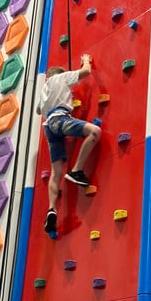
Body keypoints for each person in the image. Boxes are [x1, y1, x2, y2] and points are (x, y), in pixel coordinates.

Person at [36, 53, 101, 234]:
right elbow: (85, 72)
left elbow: (38, 110)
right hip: (60, 118)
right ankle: (76, 170)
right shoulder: (61, 77)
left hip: (48, 126)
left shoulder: (44, 89)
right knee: (95, 132)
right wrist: (86, 60)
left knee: (56, 171)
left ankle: (51, 209)